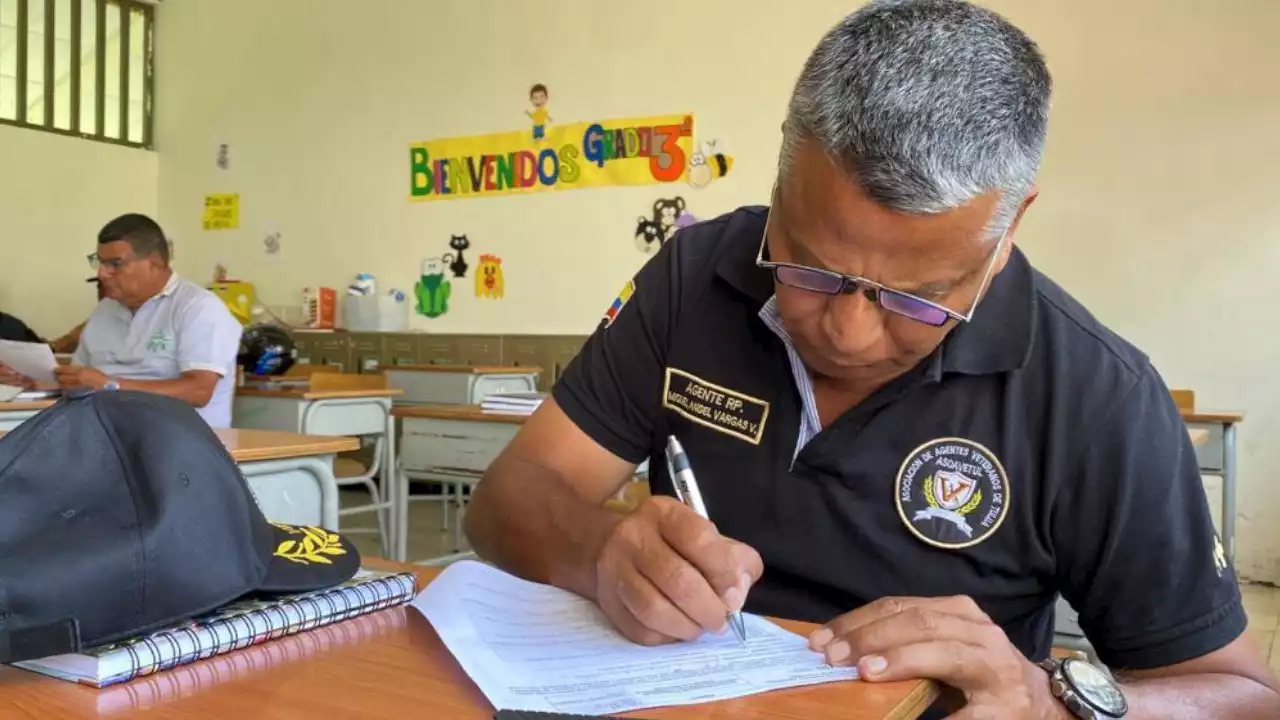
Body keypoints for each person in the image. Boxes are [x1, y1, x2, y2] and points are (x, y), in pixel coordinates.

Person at [463, 2, 1279, 718]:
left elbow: (1240, 697)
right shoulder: (692, 279)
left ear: (1010, 226)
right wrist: (596, 551)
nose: (848, 333)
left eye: (921, 297)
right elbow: (509, 498)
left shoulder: (1098, 397)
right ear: (781, 168)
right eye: (810, 268)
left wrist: (1047, 703)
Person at [0, 214, 243, 427]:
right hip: (108, 439)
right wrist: (31, 382)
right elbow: (80, 382)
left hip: (181, 447)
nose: (102, 274)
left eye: (115, 264)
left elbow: (199, 391)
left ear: (154, 264)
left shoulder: (197, 308)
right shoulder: (105, 312)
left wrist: (110, 385)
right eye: (99, 262)